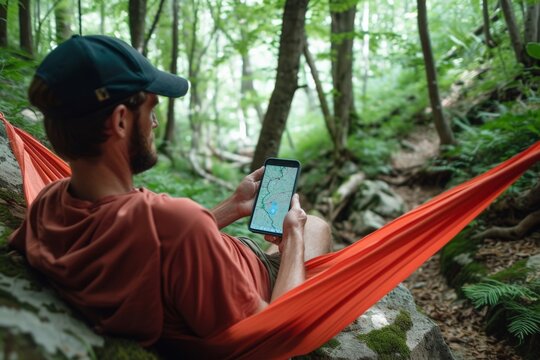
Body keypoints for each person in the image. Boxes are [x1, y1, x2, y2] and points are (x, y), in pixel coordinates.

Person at [8, 35, 332, 356]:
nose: (155, 122)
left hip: (216, 265)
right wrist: (293, 238)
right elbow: (274, 336)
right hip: (257, 284)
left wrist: (233, 206)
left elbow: (158, 247)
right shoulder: (175, 223)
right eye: (151, 108)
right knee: (315, 226)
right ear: (121, 120)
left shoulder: (49, 205)